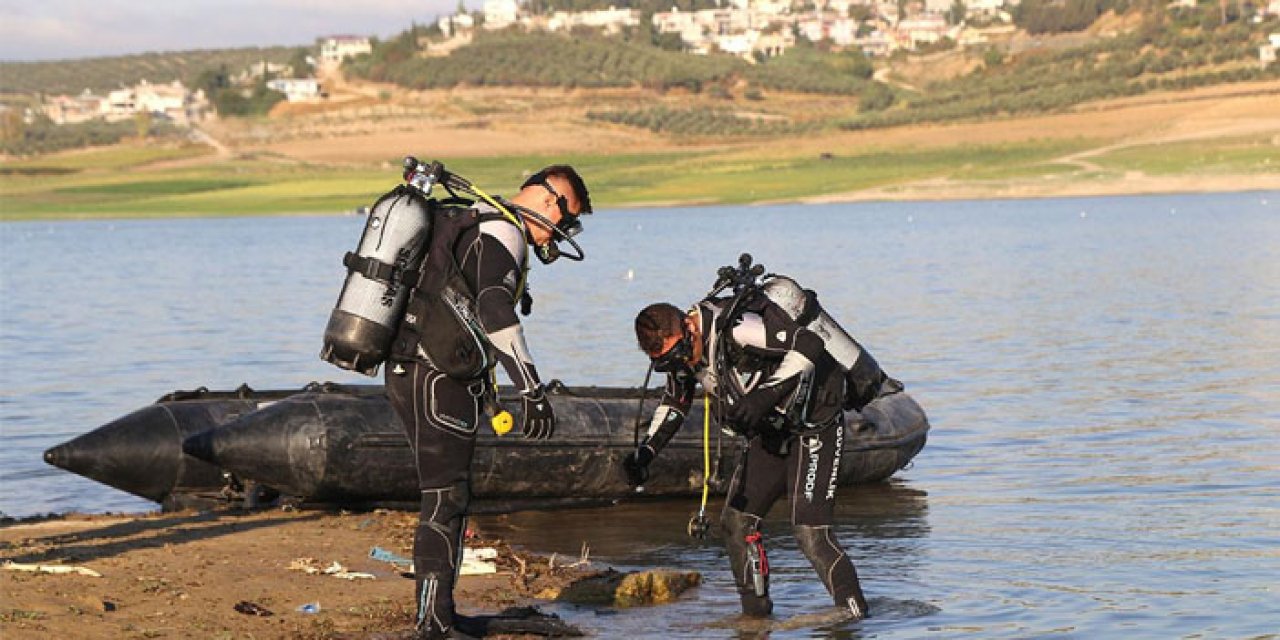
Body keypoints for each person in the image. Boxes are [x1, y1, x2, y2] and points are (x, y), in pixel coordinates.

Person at [624, 267, 901, 620]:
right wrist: (646, 452)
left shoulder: (741, 328)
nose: (681, 365)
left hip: (815, 427)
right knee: (736, 523)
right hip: (772, 433)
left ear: (688, 328)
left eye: (679, 354)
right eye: (666, 363)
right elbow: (676, 401)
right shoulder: (681, 351)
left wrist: (761, 399)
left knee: (810, 535)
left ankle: (856, 619)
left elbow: (811, 344)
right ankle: (755, 622)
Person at [385, 165, 591, 639]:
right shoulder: (505, 232)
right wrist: (531, 388)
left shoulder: (475, 217)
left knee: (445, 495)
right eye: (565, 219)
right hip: (438, 379)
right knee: (446, 498)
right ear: (547, 199)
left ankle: (438, 613)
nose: (558, 236)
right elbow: (496, 310)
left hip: (408, 370)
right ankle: (435, 624)